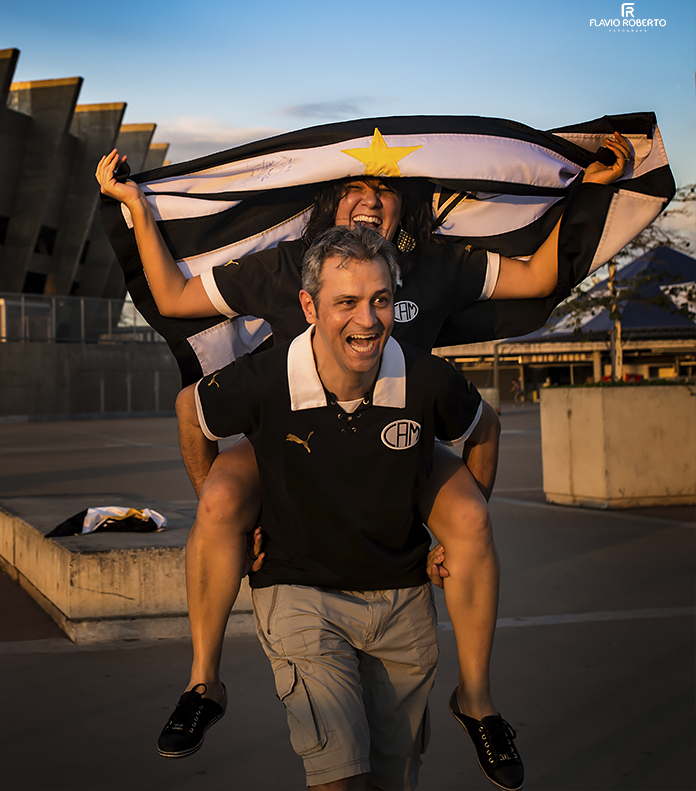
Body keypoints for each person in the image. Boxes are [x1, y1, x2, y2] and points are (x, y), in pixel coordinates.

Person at [95, 133, 629, 789]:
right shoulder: (287, 266)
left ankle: (477, 698)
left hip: (399, 438)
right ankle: (204, 681)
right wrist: (137, 207)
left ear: (407, 206)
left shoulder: (439, 264)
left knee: (469, 517)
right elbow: (176, 297)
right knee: (222, 500)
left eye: (385, 188)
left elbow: (540, 277)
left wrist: (591, 192)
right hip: (293, 441)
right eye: (354, 186)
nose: (370, 200)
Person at [176, 225, 503, 790]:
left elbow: (485, 428)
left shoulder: (422, 377)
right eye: (346, 302)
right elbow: (191, 411)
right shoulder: (266, 379)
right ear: (309, 307)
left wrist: (451, 541)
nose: (367, 320)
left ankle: (475, 699)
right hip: (301, 589)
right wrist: (233, 524)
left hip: (398, 593)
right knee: (339, 777)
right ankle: (204, 682)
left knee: (393, 779)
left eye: (381, 300)